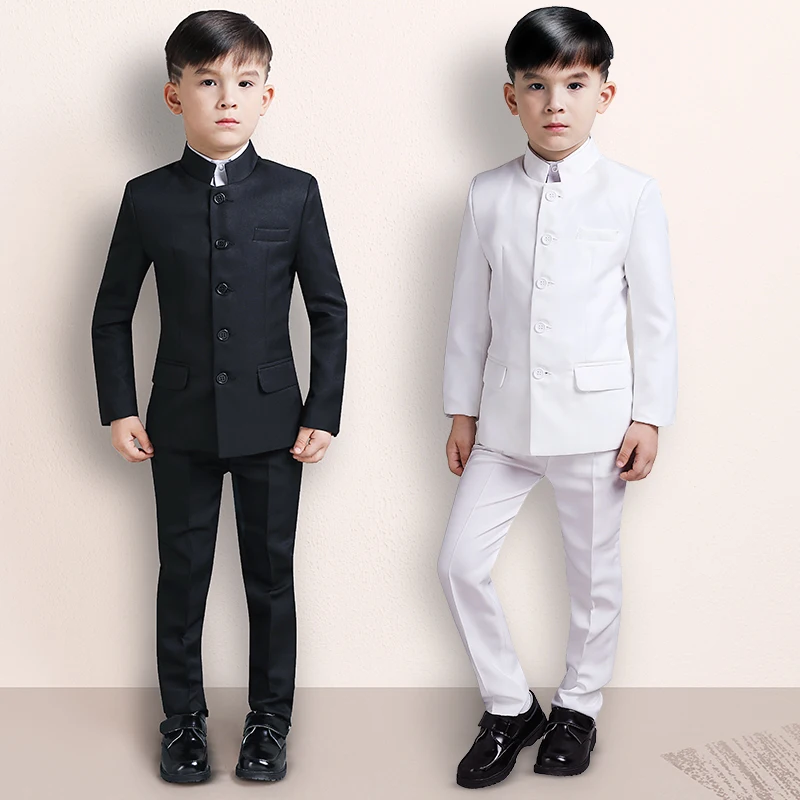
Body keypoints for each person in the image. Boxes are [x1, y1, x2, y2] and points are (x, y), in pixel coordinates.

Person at [90, 10, 347, 784]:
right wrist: (120, 407)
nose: (227, 97)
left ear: (268, 95)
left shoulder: (295, 193)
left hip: (276, 426)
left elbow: (328, 310)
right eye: (207, 81)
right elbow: (111, 312)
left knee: (271, 580)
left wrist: (323, 411)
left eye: (244, 81)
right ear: (176, 96)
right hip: (179, 424)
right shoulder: (146, 198)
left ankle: (269, 723)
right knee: (182, 578)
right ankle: (183, 723)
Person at [437, 6, 677, 789]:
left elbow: (655, 317)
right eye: (536, 86)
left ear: (605, 92)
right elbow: (468, 314)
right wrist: (462, 410)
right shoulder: (486, 194)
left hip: (597, 424)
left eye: (574, 84)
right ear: (511, 97)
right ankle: (511, 707)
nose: (555, 103)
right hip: (504, 424)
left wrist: (649, 416)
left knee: (593, 577)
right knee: (458, 564)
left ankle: (577, 709)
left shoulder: (632, 194)